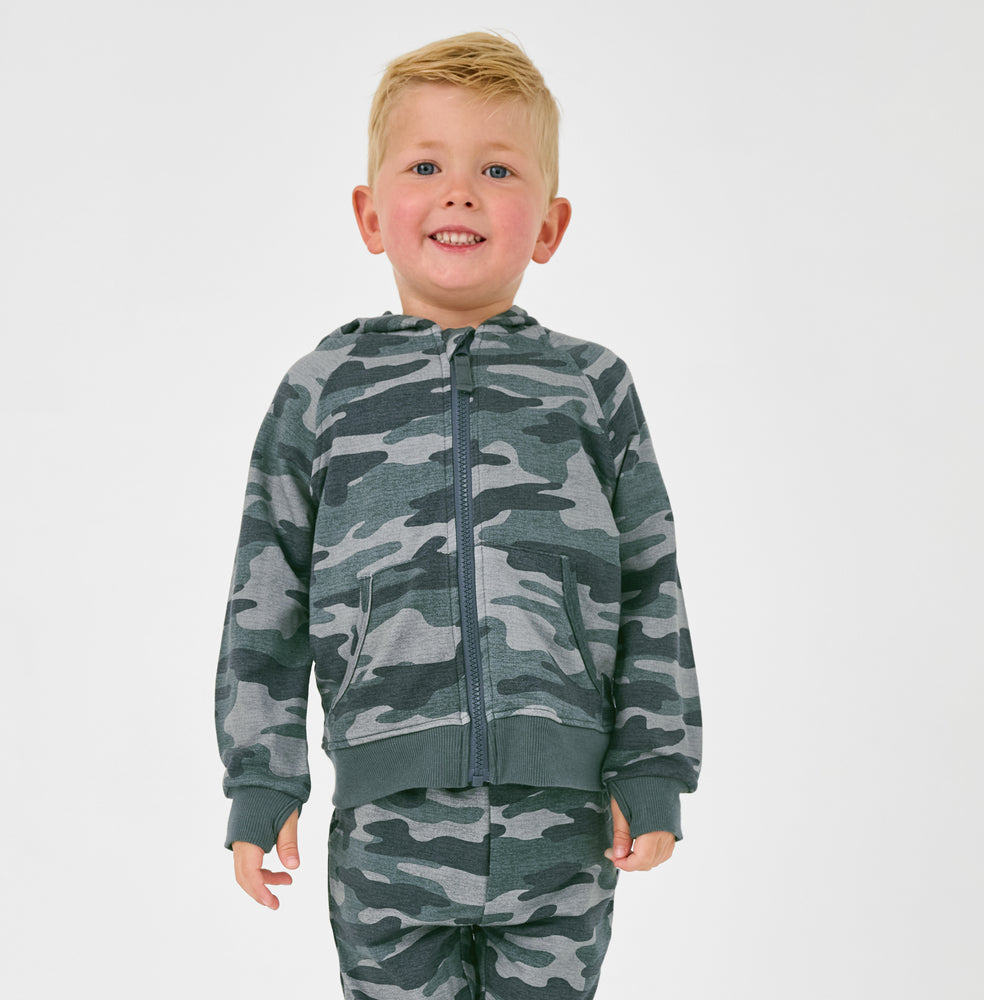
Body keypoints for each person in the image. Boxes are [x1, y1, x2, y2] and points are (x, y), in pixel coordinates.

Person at [215, 30, 702, 999]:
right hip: (387, 827)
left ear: (550, 225)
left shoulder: (592, 387)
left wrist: (654, 764)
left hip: (563, 829)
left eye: (498, 169)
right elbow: (265, 598)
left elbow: (653, 586)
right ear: (370, 214)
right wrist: (262, 777)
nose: (460, 193)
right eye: (426, 165)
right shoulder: (322, 392)